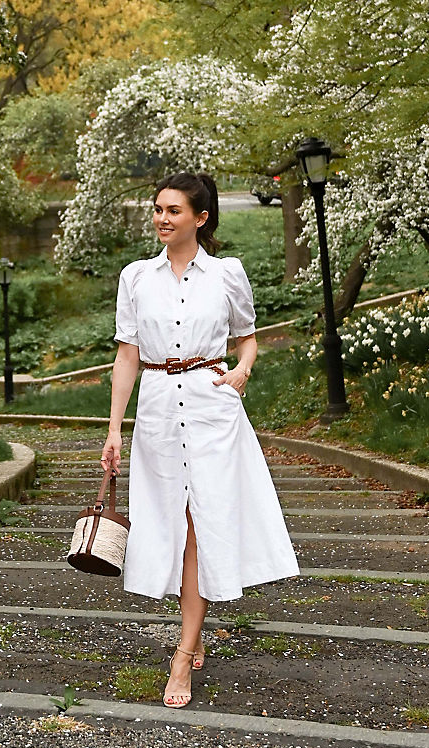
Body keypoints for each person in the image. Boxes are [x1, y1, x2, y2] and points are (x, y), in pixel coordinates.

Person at [100, 171, 299, 709]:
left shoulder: (227, 274)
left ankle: (182, 654)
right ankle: (195, 627)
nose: (162, 218)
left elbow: (248, 338)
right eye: (158, 208)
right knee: (167, 521)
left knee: (198, 525)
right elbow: (127, 355)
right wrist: (115, 429)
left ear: (201, 217)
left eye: (173, 210)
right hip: (159, 411)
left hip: (213, 410)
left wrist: (242, 371)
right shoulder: (136, 277)